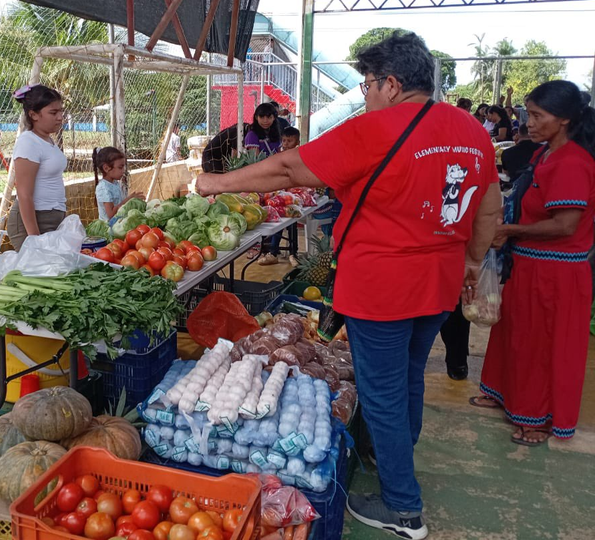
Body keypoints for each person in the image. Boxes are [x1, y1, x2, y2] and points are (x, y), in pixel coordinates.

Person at [197, 32, 501, 539]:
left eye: (366, 85)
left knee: (381, 392)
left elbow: (291, 168)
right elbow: (488, 209)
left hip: (382, 285)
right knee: (407, 378)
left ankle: (404, 509)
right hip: (438, 284)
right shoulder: (471, 130)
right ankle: (391, 462)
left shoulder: (375, 129)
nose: (364, 94)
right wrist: (471, 266)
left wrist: (216, 182)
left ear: (392, 83)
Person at [474, 81, 595, 446]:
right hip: (529, 264)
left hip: (555, 271)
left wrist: (509, 228)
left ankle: (537, 417)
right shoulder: (545, 153)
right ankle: (503, 392)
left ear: (564, 120)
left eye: (538, 115)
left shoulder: (573, 162)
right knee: (515, 334)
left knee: (542, 344)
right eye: (529, 113)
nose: (529, 122)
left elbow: (566, 224)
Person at [7, 85, 67, 250]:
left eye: (61, 111)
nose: (60, 117)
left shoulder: (47, 140)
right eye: (53, 113)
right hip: (34, 221)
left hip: (52, 217)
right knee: (38, 271)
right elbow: (24, 194)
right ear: (33, 114)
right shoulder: (28, 142)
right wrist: (34, 237)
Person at [260, 126, 302, 266]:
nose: (286, 144)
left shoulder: (299, 156)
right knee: (278, 223)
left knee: (292, 225)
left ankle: (293, 253)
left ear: (297, 142)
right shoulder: (277, 156)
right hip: (279, 197)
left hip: (293, 198)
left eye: (289, 141)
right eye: (284, 141)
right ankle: (273, 252)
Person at [93, 146, 144, 221]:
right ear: (106, 168)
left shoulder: (115, 183)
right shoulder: (103, 188)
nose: (123, 171)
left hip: (118, 224)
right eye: (120, 167)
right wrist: (129, 200)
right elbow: (111, 215)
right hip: (108, 229)